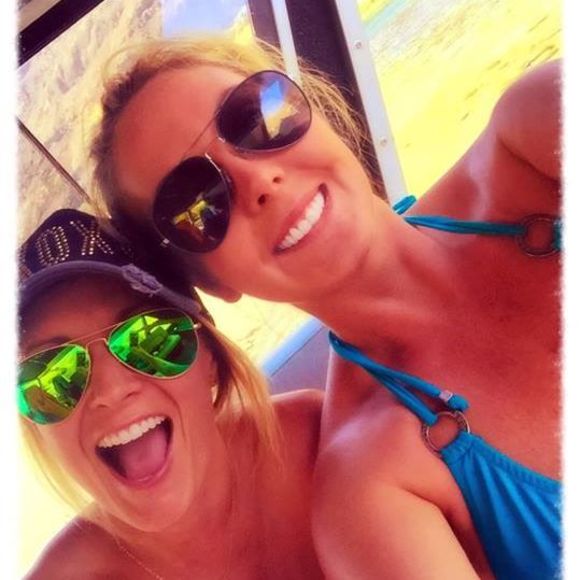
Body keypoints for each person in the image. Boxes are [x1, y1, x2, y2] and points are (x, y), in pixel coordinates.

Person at [90, 36, 561, 579]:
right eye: (196, 204)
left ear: (315, 109)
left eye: (255, 118)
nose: (258, 180)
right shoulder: (370, 495)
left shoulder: (532, 137)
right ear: (208, 282)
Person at [18, 208, 324, 579]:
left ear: (210, 357)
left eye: (151, 337)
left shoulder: (322, 444)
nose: (111, 391)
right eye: (51, 375)